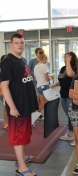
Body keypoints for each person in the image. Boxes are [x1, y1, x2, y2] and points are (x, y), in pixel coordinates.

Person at [0, 33, 38, 176]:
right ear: (11, 44)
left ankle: (22, 158)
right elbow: (4, 86)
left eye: (21, 42)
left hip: (25, 105)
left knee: (24, 134)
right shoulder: (8, 61)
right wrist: (13, 107)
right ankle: (22, 168)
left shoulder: (21, 59)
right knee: (18, 136)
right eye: (16, 43)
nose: (20, 45)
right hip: (17, 106)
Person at [51, 52, 77, 145]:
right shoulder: (63, 68)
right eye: (64, 57)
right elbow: (61, 80)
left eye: (67, 57)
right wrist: (55, 84)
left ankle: (77, 137)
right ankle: (70, 134)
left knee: (72, 116)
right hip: (63, 95)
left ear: (71, 58)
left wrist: (68, 62)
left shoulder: (74, 68)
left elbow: (70, 74)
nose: (65, 59)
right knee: (69, 116)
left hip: (71, 96)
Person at [0, 55, 8, 130]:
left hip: (6, 92)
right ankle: (6, 124)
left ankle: (6, 123)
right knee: (6, 108)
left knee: (6, 108)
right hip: (4, 92)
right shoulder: (2, 71)